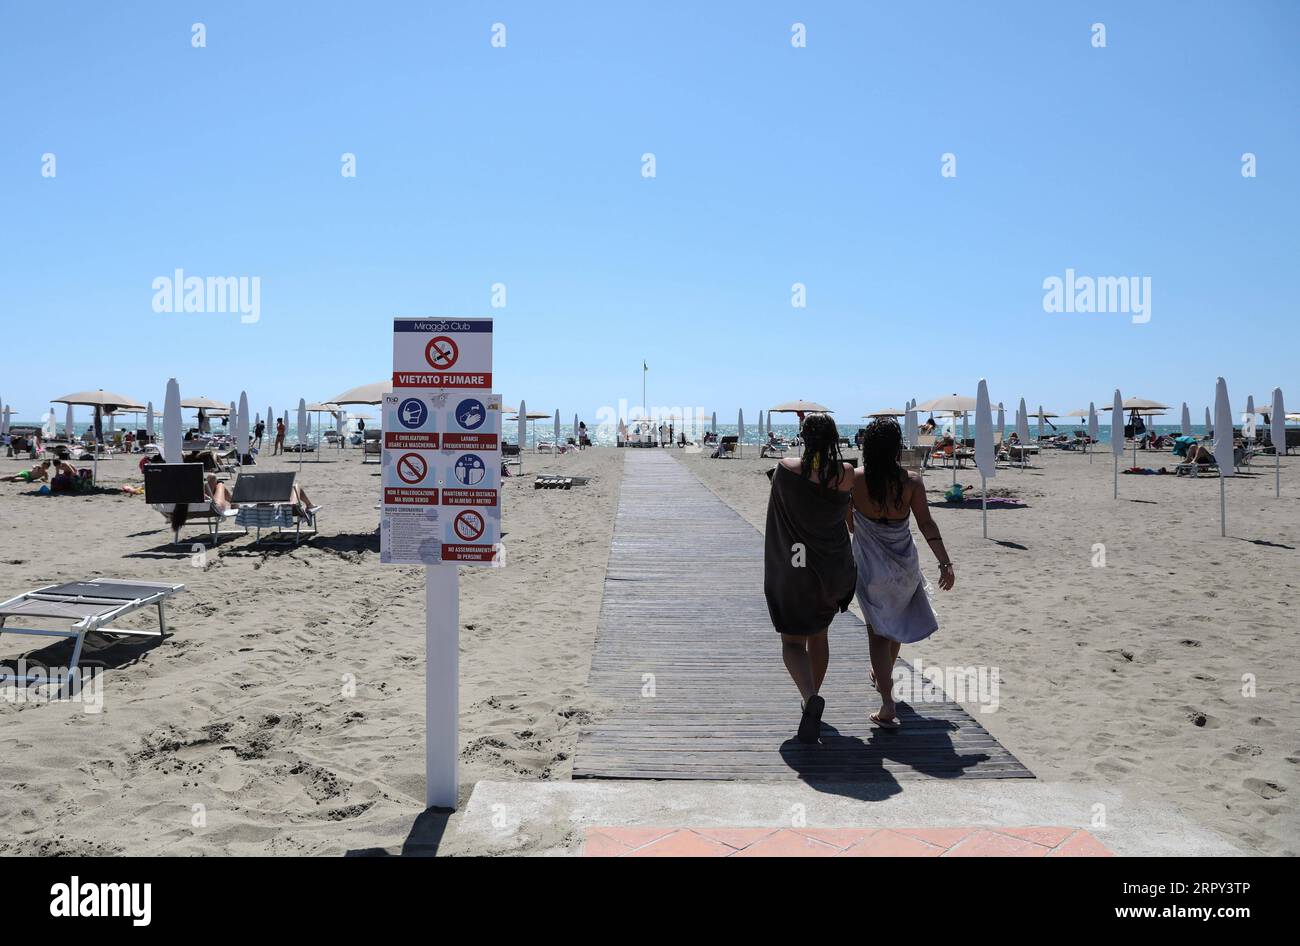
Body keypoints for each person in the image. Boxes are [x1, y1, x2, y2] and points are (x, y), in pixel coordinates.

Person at [848, 419, 954, 728]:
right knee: (895, 624)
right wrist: (945, 563)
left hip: (869, 568)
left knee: (878, 631)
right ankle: (883, 676)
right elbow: (926, 524)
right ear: (897, 448)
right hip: (905, 565)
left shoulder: (855, 479)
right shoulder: (911, 482)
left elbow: (848, 521)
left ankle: (886, 703)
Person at [763, 414, 857, 744]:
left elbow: (780, 515)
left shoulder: (787, 468)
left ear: (803, 437)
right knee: (819, 635)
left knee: (792, 642)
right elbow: (847, 516)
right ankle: (811, 697)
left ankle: (809, 696)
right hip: (830, 570)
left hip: (795, 567)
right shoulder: (846, 474)